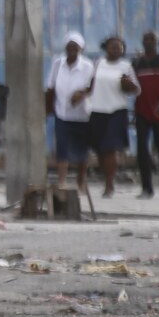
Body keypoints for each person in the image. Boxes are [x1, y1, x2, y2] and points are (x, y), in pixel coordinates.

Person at [88, 35, 139, 198]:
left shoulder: (126, 66)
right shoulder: (98, 63)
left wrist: (127, 84)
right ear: (106, 48)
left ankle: (109, 185)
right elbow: (90, 84)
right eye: (112, 46)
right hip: (97, 109)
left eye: (119, 47)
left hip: (116, 110)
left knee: (110, 148)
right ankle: (107, 177)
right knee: (100, 149)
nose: (116, 49)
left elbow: (136, 90)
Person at [46, 32, 95, 192]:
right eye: (69, 47)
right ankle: (62, 181)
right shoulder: (57, 63)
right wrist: (48, 107)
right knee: (62, 147)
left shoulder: (87, 66)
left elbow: (92, 87)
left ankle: (81, 181)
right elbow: (51, 86)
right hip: (62, 112)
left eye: (76, 47)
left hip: (82, 114)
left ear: (81, 49)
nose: (72, 50)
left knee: (82, 149)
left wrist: (81, 94)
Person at [132, 30, 159, 198]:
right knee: (142, 150)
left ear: (157, 42)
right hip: (142, 111)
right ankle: (146, 188)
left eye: (152, 39)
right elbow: (129, 84)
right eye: (146, 38)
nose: (148, 41)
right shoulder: (136, 63)